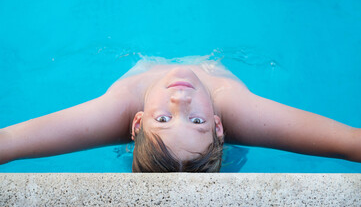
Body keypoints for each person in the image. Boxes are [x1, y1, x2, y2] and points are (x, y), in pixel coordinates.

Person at [0, 56, 360, 172]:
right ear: (219, 126)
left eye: (162, 120)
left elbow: (10, 142)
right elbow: (350, 144)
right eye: (198, 122)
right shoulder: (238, 110)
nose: (180, 104)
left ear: (137, 122)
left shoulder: (118, 110)